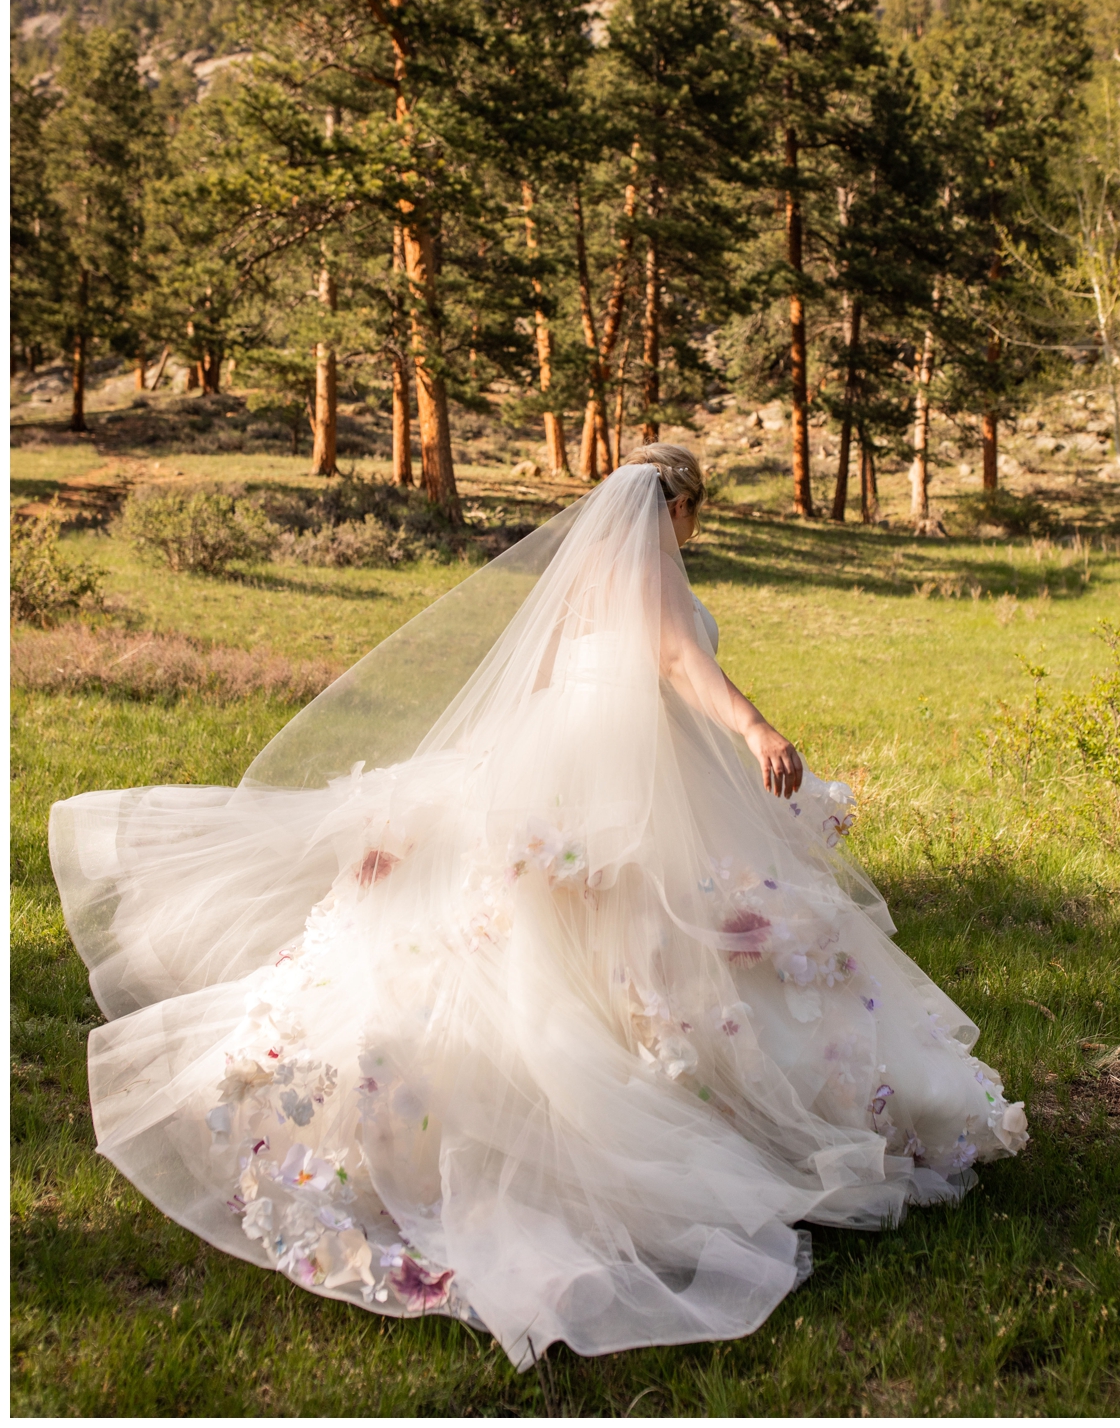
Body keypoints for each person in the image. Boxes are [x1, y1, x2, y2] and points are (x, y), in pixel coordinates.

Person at [51, 446, 1027, 1366]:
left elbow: (555, 685)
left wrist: (490, 781)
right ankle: (699, 1101)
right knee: (659, 937)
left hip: (580, 762)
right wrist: (761, 728)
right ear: (676, 508)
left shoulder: (591, 585)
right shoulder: (657, 577)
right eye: (694, 513)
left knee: (552, 938)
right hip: (633, 782)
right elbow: (686, 669)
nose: (692, 529)